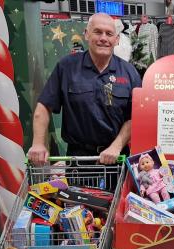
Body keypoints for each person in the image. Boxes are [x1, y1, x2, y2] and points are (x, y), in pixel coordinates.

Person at [28, 13, 142, 165]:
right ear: (87, 35)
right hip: (79, 161)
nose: (103, 38)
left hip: (117, 160)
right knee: (75, 190)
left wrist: (115, 147)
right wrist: (38, 143)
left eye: (109, 34)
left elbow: (134, 117)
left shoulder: (129, 73)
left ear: (117, 40)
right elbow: (44, 106)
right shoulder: (67, 67)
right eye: (97, 32)